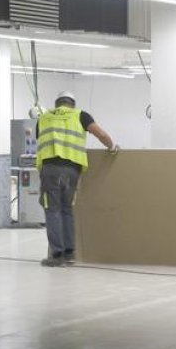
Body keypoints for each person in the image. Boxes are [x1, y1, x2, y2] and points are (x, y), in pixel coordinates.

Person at [35, 91, 117, 267]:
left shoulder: (44, 118)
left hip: (50, 169)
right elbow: (101, 135)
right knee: (66, 209)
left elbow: (39, 139)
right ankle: (70, 253)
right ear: (72, 104)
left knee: (52, 210)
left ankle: (56, 255)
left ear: (57, 104)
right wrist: (112, 147)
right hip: (72, 170)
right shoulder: (81, 115)